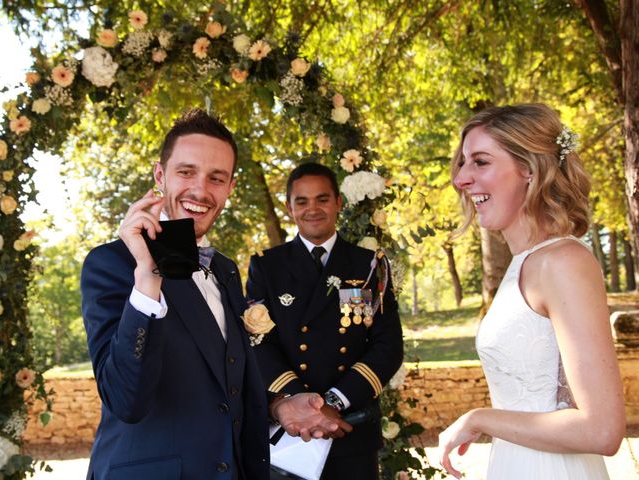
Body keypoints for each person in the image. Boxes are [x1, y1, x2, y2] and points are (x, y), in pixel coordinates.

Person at [81, 109, 340, 480]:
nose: (201, 190)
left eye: (216, 178)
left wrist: (278, 406)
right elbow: (126, 400)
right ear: (160, 175)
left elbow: (223, 383)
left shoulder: (226, 269)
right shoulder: (111, 263)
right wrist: (149, 276)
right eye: (186, 172)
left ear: (230, 188)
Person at [438, 103, 625, 479]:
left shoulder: (563, 261)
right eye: (463, 163)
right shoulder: (523, 264)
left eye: (480, 162)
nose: (461, 178)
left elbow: (602, 430)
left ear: (528, 168)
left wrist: (479, 418)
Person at [246, 162, 404, 479]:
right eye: (301, 201)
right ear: (289, 207)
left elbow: (388, 346)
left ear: (338, 203)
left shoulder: (369, 266)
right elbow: (259, 343)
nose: (312, 209)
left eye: (322, 199)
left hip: (350, 426)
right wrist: (301, 405)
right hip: (292, 433)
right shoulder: (267, 267)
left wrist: (333, 401)